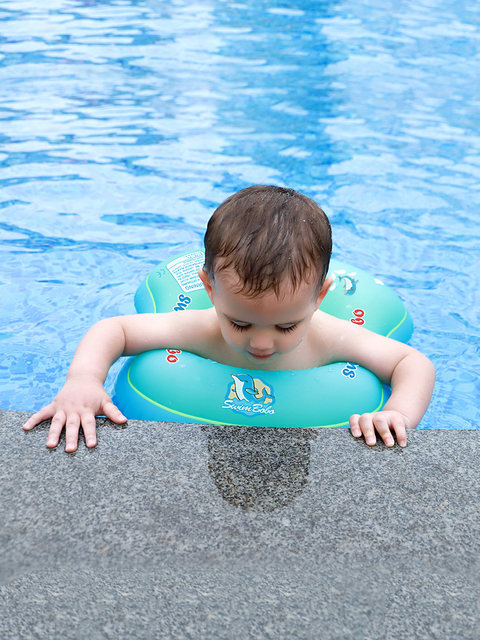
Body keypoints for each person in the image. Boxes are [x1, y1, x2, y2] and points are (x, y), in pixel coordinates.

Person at [23, 185, 435, 452]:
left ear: (320, 298)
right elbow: (114, 329)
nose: (261, 342)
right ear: (210, 290)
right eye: (239, 322)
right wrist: (83, 381)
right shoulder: (201, 328)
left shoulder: (329, 336)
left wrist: (396, 412)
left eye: (286, 326)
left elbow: (412, 363)